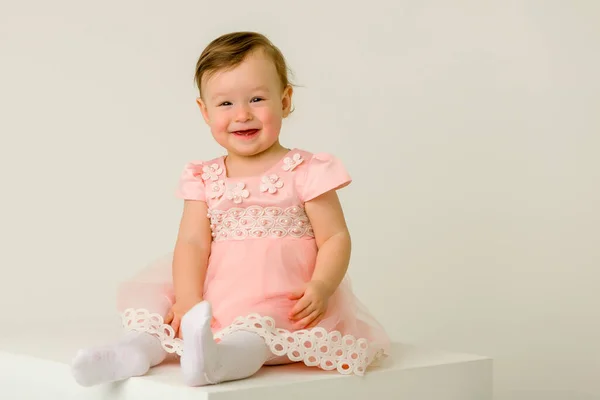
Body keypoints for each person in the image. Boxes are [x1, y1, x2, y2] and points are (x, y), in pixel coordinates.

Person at [71, 31, 390, 387]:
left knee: (256, 337)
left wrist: (321, 285)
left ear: (285, 101)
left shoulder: (306, 170)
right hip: (214, 294)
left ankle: (218, 362)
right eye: (225, 104)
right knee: (164, 316)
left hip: (282, 297)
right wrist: (190, 300)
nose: (242, 115)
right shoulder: (204, 177)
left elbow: (334, 236)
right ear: (204, 111)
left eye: (256, 99)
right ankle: (131, 352)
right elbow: (192, 243)